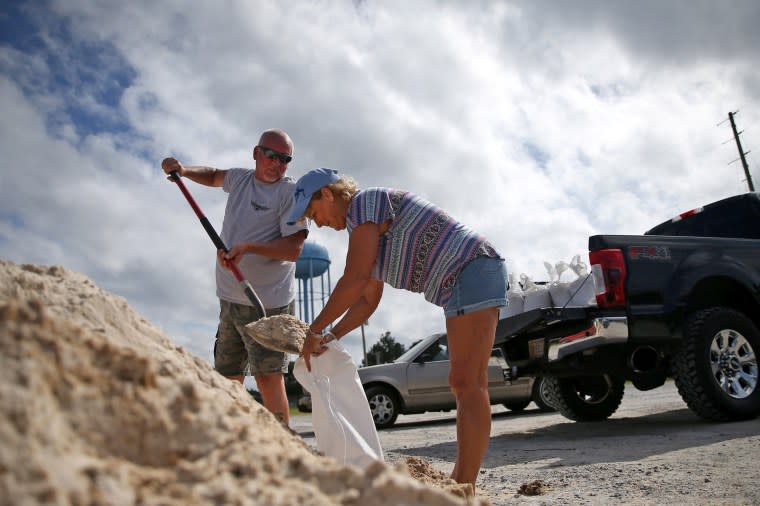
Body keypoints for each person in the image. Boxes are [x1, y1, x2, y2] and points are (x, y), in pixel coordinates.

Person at [286, 168, 508, 487]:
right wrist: (331, 335)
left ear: (327, 194)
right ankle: (461, 483)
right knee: (466, 381)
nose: (316, 222)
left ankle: (465, 486)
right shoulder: (365, 229)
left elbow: (354, 279)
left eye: (312, 212)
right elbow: (367, 299)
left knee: (468, 381)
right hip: (467, 276)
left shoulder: (364, 204)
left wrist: (315, 330)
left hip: (471, 269)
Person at [161, 129, 308, 426]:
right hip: (230, 298)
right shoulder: (241, 179)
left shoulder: (288, 193)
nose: (278, 164)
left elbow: (294, 249)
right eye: (272, 155)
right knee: (227, 376)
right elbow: (215, 175)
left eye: (285, 159)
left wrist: (248, 248)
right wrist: (184, 171)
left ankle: (282, 447)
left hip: (266, 304)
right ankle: (232, 438)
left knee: (268, 377)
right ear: (256, 152)